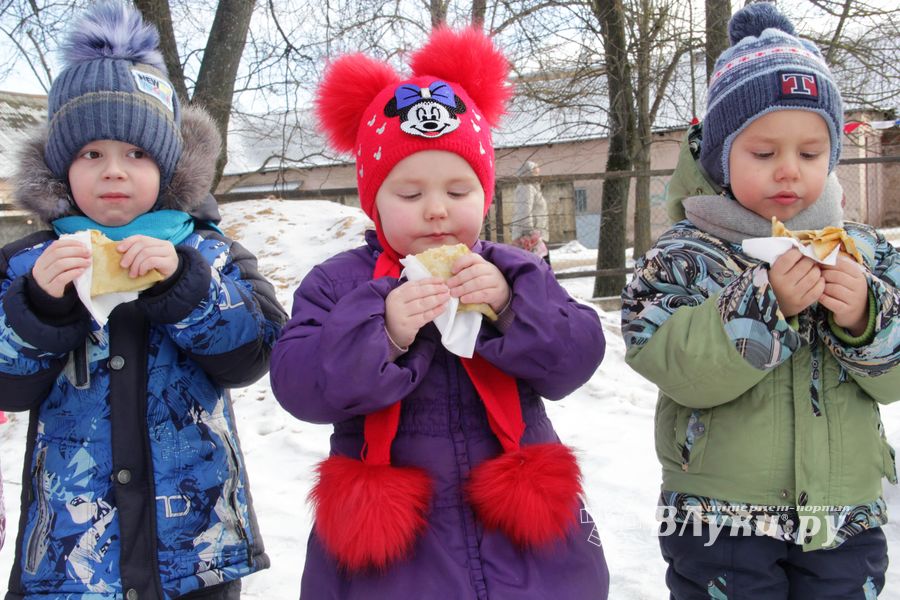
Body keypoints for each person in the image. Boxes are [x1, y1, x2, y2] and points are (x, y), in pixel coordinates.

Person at [270, 27, 608, 599]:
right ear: (374, 201)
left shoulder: (516, 271)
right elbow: (298, 386)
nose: (436, 211)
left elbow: (575, 358)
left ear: (484, 194)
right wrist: (383, 332)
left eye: (458, 191)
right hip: (394, 557)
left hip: (525, 543)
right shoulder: (339, 283)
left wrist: (508, 306)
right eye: (409, 194)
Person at [0, 3, 286, 598]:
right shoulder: (27, 265)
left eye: (137, 153)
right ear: (60, 167)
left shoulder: (209, 253)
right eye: (91, 154)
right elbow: (7, 388)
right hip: (72, 562)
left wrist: (185, 288)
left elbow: (256, 354)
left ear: (169, 165)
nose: (114, 172)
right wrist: (39, 307)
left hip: (197, 556)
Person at [621, 4, 898, 598]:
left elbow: (894, 381)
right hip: (719, 517)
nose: (789, 172)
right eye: (765, 154)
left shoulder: (864, 252)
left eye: (810, 153)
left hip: (842, 517)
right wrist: (763, 306)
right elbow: (664, 359)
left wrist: (864, 316)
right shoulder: (685, 253)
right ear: (722, 155)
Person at [511, 160, 550, 262]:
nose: (538, 172)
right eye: (535, 170)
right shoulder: (526, 187)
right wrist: (528, 235)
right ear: (529, 172)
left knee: (541, 268)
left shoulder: (533, 187)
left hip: (535, 237)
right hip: (530, 240)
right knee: (538, 267)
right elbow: (524, 212)